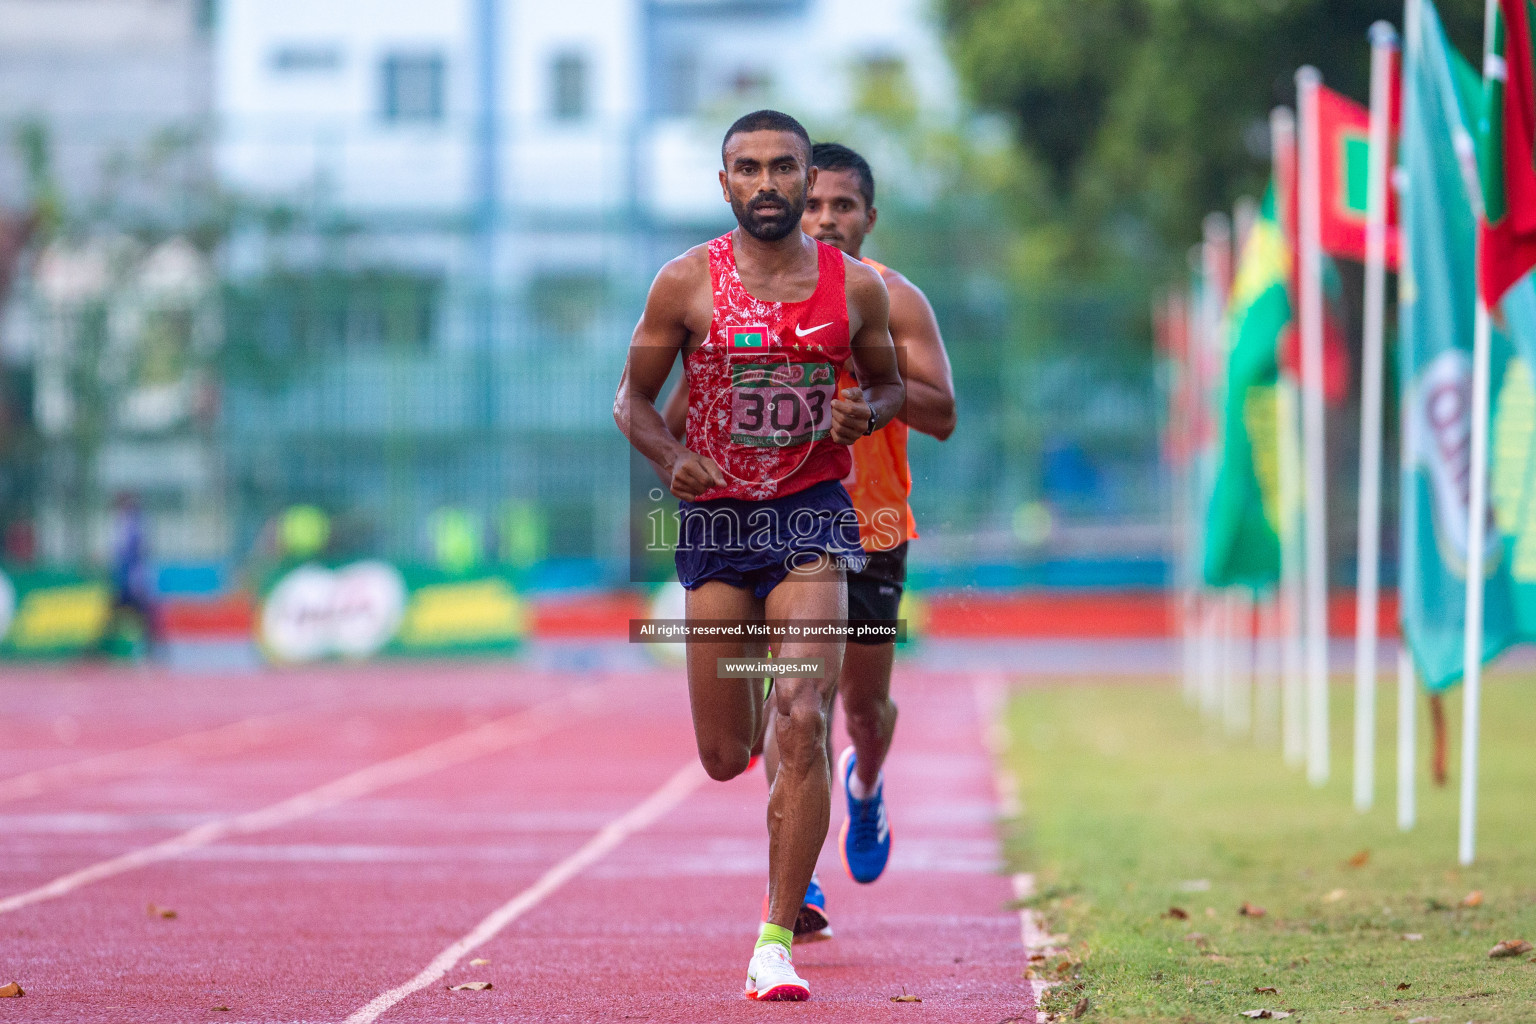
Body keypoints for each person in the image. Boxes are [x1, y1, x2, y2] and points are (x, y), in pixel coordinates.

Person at [613, 110, 904, 1002]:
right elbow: (631, 401)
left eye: (785, 168)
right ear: (726, 183)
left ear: (805, 176)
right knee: (723, 749)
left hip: (811, 518)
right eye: (750, 169)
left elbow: (890, 381)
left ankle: (775, 937)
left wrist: (866, 411)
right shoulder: (684, 283)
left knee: (803, 710)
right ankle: (756, 706)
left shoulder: (853, 290)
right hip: (718, 527)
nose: (769, 184)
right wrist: (673, 457)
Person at [659, 142, 956, 943]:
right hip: (771, 523)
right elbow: (689, 398)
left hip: (873, 522)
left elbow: (941, 411)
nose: (825, 218)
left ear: (868, 215)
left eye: (842, 206)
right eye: (814, 204)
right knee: (799, 710)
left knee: (859, 707)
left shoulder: (888, 298)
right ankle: (794, 891)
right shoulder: (747, 293)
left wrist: (860, 394)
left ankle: (866, 784)